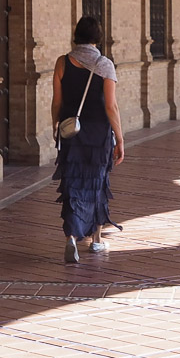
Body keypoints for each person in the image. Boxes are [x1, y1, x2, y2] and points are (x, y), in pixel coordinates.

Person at [52, 15, 125, 262]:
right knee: (97, 182)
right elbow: (111, 106)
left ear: (77, 35)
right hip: (98, 134)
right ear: (98, 37)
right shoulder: (105, 65)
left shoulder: (62, 62)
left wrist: (56, 124)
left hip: (72, 132)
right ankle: (96, 240)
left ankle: (71, 237)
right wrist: (120, 138)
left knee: (72, 183)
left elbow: (57, 101)